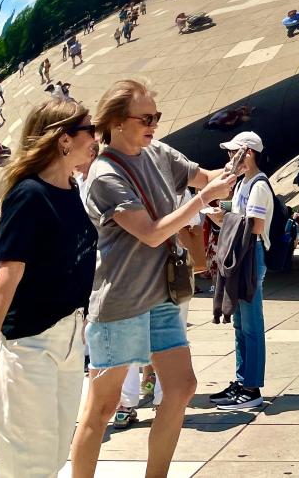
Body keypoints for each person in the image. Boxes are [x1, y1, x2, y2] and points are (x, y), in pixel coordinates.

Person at [71, 79, 236, 478]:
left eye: (156, 117)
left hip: (163, 295)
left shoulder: (157, 152)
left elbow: (202, 176)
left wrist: (234, 168)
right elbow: (151, 232)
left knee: (181, 388)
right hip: (122, 302)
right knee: (103, 407)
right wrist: (202, 200)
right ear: (115, 122)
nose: (154, 125)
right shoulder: (104, 174)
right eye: (146, 118)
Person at [0, 99, 99, 477]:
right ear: (63, 139)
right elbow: (8, 272)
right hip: (32, 342)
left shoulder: (71, 190)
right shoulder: (29, 193)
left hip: (71, 336)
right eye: (88, 130)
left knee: (57, 451)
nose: (95, 137)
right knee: (30, 459)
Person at [209, 131, 273, 411]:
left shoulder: (258, 184)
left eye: (233, 151)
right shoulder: (244, 183)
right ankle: (242, 380)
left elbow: (255, 226)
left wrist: (225, 218)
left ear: (247, 152)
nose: (229, 157)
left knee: (250, 323)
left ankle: (252, 386)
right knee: (239, 322)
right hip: (242, 253)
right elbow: (243, 221)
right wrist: (223, 215)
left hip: (250, 254)